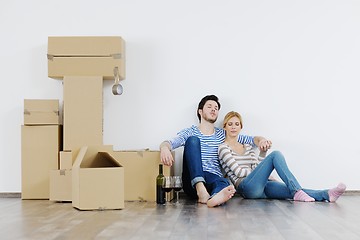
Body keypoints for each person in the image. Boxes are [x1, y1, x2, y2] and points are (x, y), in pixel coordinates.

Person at [160, 95, 271, 207]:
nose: (214, 109)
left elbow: (252, 139)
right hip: (192, 182)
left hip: (212, 178)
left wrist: (262, 141)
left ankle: (213, 197)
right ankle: (200, 189)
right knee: (193, 141)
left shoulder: (223, 134)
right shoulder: (190, 132)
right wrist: (164, 148)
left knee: (223, 182)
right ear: (200, 111)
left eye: (216, 108)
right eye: (209, 106)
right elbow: (168, 143)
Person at [218, 111, 346, 202]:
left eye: (236, 124)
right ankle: (297, 191)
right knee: (275, 155)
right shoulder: (223, 148)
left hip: (263, 185)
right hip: (246, 188)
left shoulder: (247, 146)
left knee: (292, 191)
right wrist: (264, 173)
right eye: (230, 124)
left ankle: (328, 194)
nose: (233, 127)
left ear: (241, 127)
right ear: (224, 127)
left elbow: (257, 166)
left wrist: (262, 153)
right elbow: (239, 172)